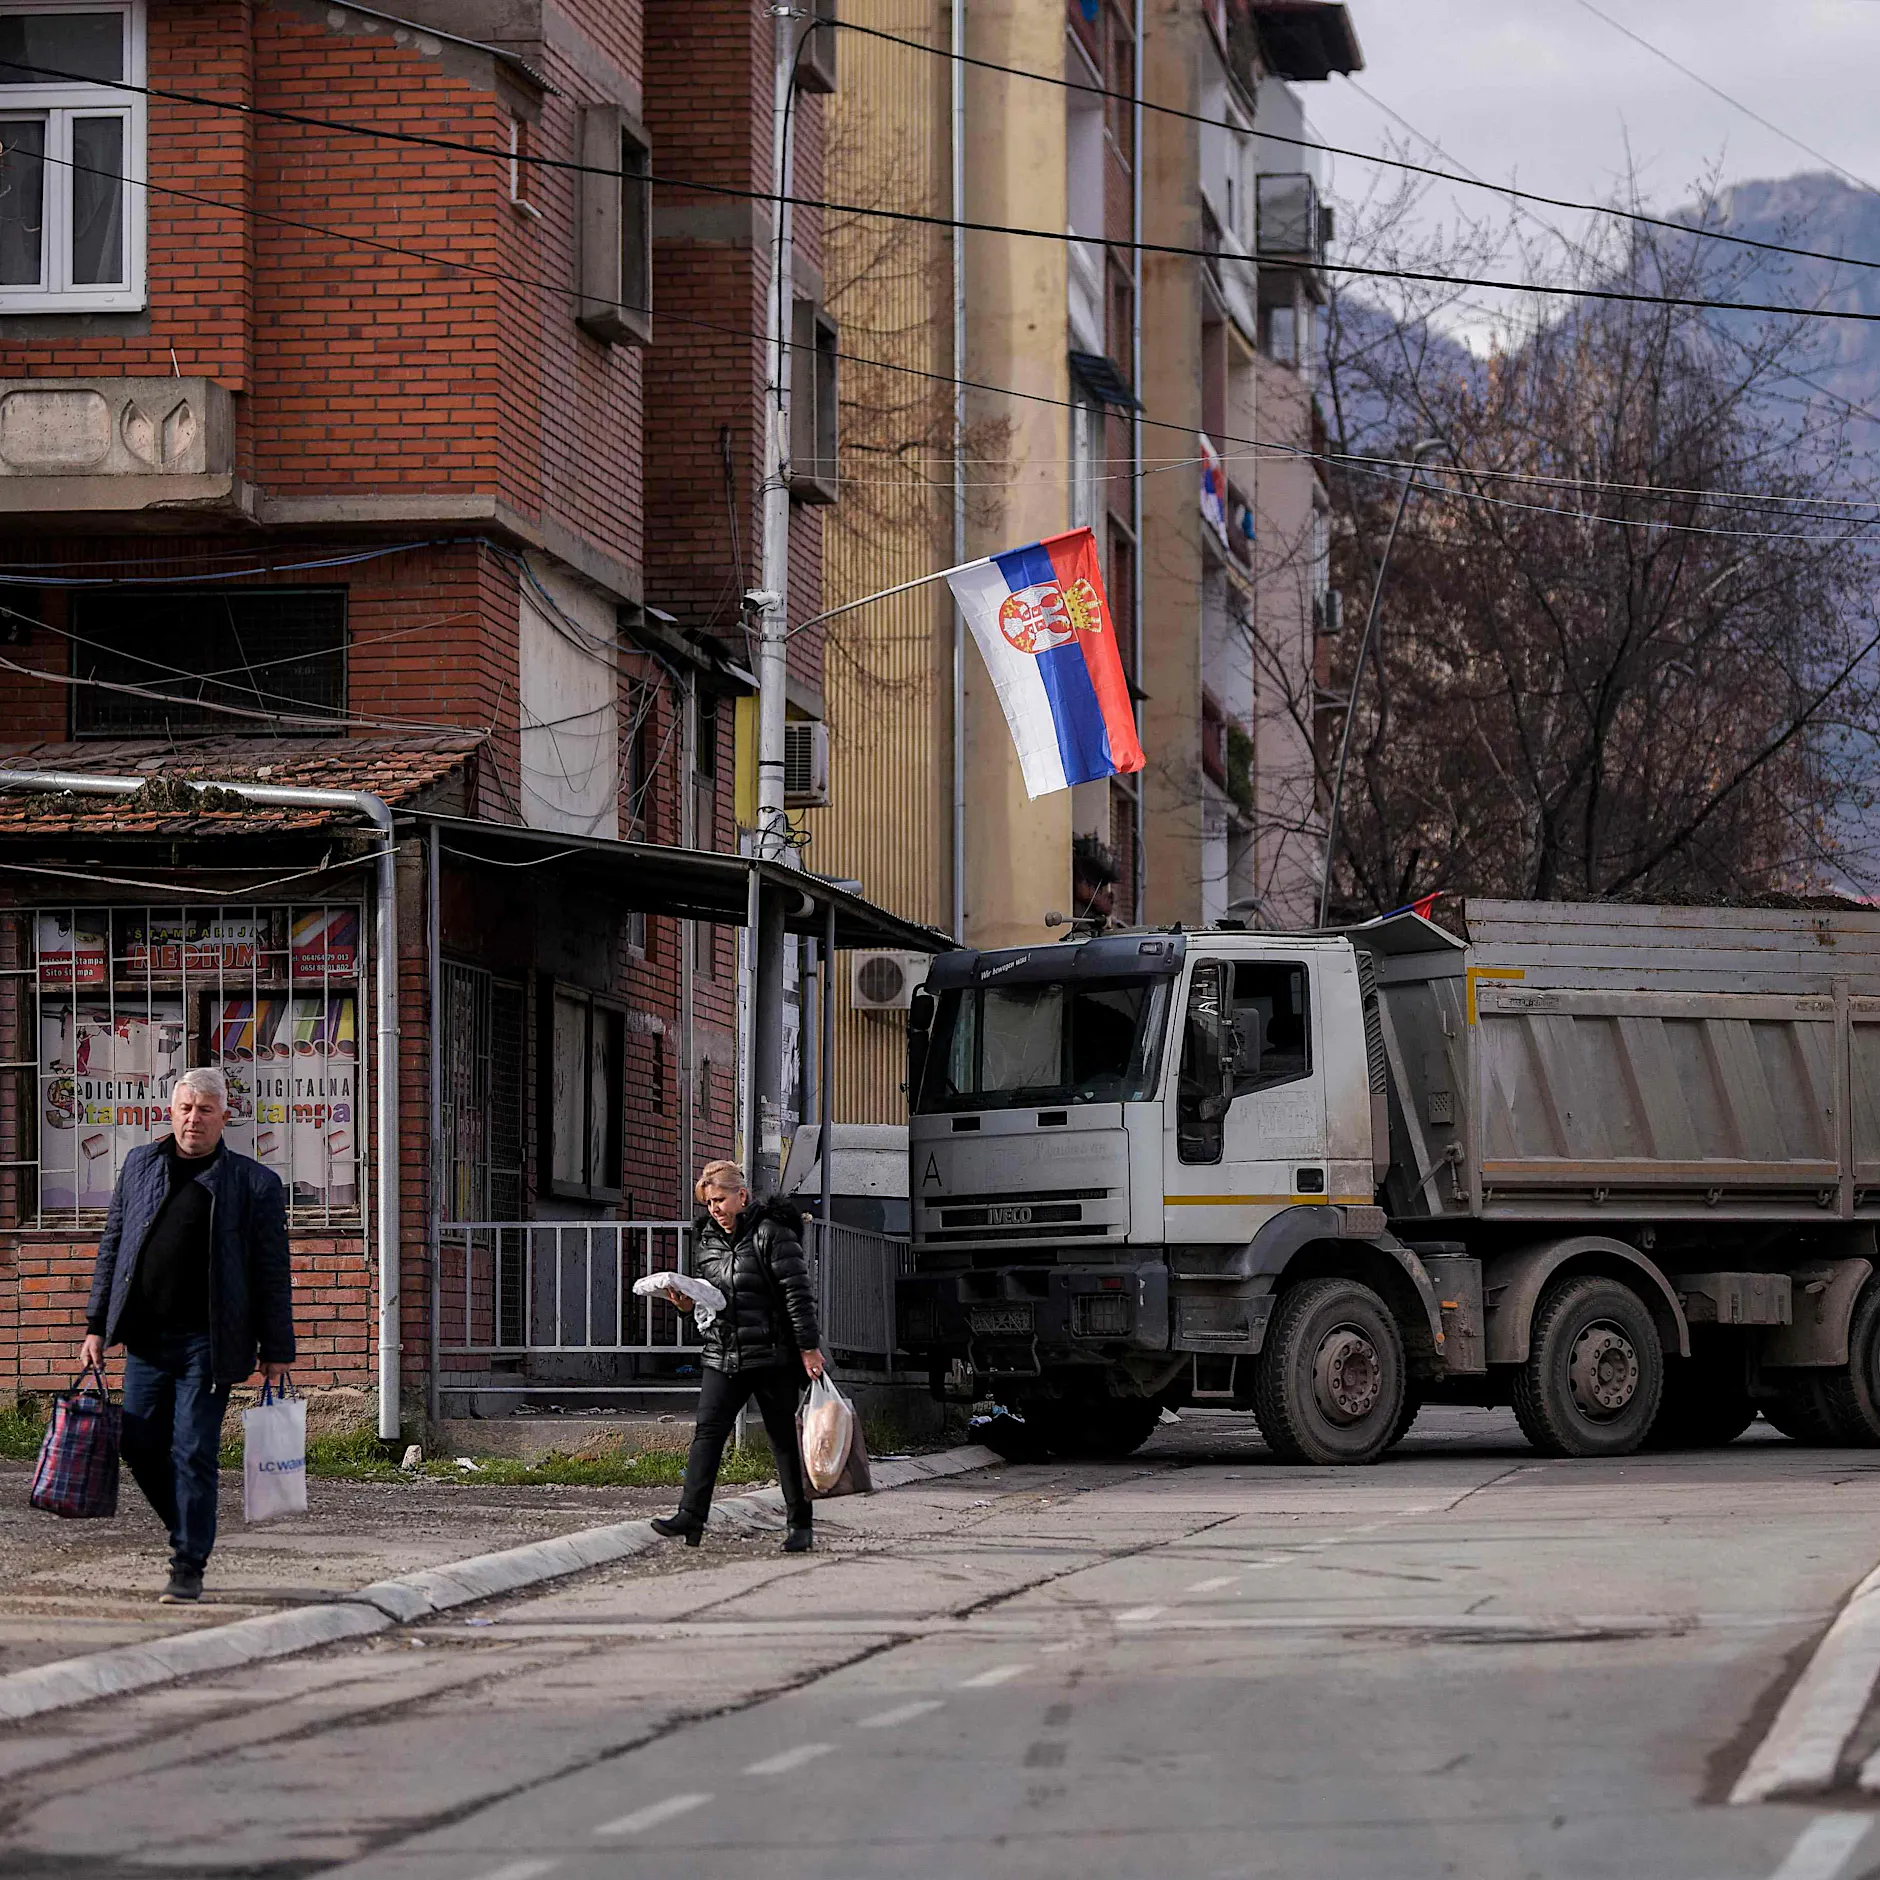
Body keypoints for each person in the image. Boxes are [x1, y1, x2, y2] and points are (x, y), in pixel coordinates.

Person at [79, 1068, 294, 1604]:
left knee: (193, 1448)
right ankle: (188, 1526)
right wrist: (95, 1327)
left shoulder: (253, 1184)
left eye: (204, 1109)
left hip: (210, 1342)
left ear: (226, 1116)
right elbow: (114, 1246)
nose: (193, 1118)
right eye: (185, 1108)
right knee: (137, 1441)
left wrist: (277, 1350)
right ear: (170, 1112)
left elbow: (271, 1270)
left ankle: (188, 1564)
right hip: (147, 1339)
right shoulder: (140, 1165)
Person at [652, 1159, 825, 1553]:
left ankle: (800, 1524)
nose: (714, 1209)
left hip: (771, 1356)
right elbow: (709, 1300)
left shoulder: (773, 1234)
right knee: (707, 1435)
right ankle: (690, 1517)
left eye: (721, 1199)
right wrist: (683, 1303)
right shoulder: (707, 1240)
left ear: (742, 1196)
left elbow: (797, 1295)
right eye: (708, 1202)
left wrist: (808, 1349)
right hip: (722, 1353)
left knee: (782, 1439)